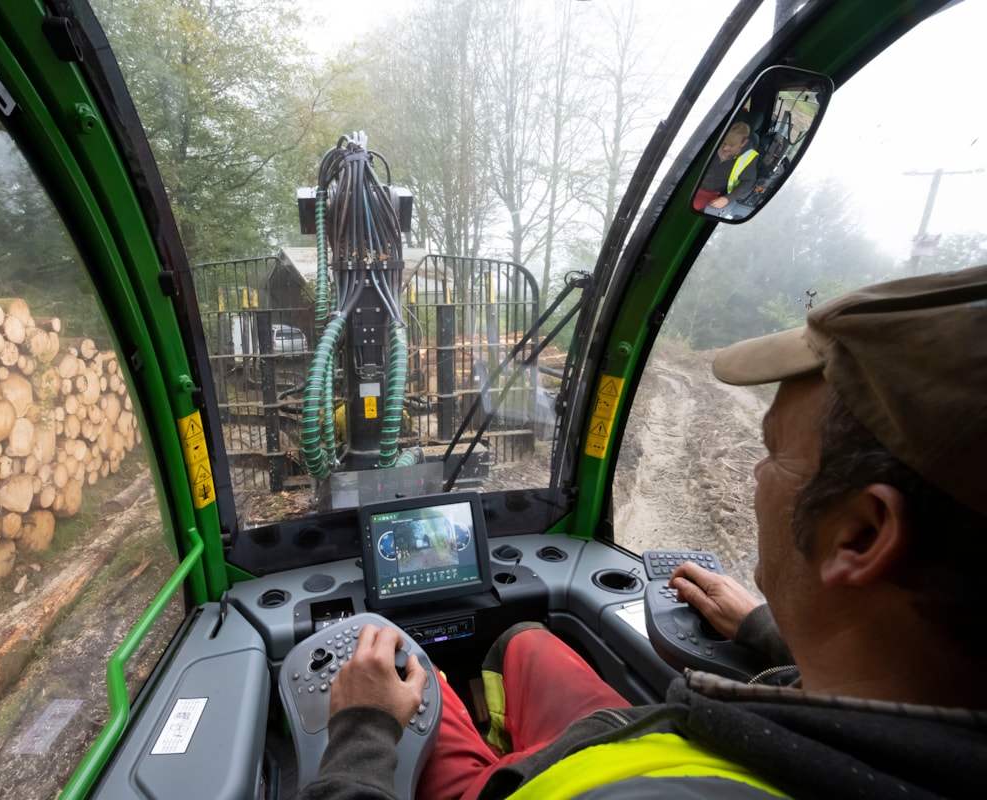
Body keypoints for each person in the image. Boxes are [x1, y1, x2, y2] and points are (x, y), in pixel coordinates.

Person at [300, 264, 987, 799]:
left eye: (774, 450)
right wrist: (766, 631)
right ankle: (493, 717)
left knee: (408, 671)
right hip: (638, 744)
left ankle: (474, 738)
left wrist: (362, 731)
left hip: (573, 777)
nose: (754, 472)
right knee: (524, 639)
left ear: (861, 536)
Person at [692, 121, 760, 211]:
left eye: (731, 145)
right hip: (693, 183)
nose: (725, 148)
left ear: (743, 143)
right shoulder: (714, 142)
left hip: (712, 193)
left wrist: (728, 198)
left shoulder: (749, 157)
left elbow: (748, 181)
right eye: (724, 143)